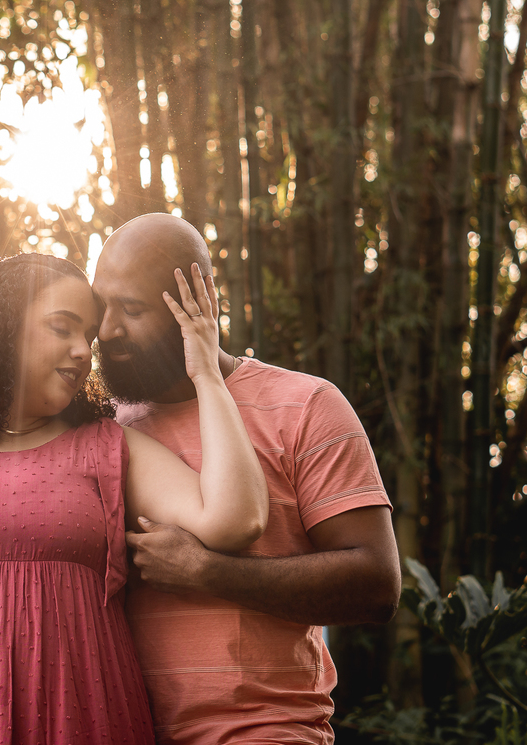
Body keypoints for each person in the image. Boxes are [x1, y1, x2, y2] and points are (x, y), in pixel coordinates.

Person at [0, 252, 269, 744]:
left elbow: (236, 519)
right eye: (61, 328)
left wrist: (208, 374)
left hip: (83, 718)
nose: (82, 350)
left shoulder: (107, 446)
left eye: (86, 337)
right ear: (1, 329)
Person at [91, 213, 402, 745]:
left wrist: (207, 571)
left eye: (132, 309)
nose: (106, 330)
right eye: (102, 307)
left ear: (200, 300)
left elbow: (376, 586)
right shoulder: (97, 427)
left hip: (263, 731)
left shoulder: (306, 407)